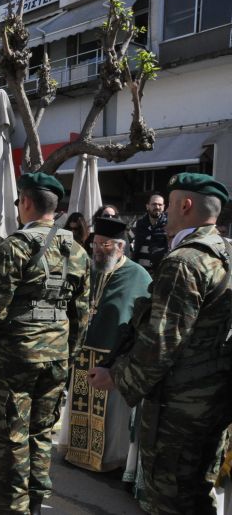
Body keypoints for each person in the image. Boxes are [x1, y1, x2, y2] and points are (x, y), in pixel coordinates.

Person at [0, 172, 90, 514]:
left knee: (10, 437)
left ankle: (14, 509)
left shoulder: (16, 246)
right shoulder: (77, 252)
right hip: (57, 358)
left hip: (17, 357)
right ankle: (36, 505)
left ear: (25, 202)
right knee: (41, 435)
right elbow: (81, 313)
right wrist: (70, 356)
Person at [89, 173, 232, 513]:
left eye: (168, 205)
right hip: (215, 400)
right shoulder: (225, 253)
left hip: (178, 410)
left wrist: (117, 376)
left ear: (185, 205)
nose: (164, 213)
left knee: (168, 499)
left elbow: (162, 342)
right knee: (196, 493)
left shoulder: (185, 261)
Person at [60, 217, 151, 472]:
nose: (98, 249)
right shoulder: (89, 269)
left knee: (113, 414)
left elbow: (141, 319)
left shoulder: (138, 275)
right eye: (96, 244)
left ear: (120, 247)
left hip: (114, 358)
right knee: (78, 404)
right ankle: (76, 452)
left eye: (105, 245)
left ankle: (110, 461)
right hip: (84, 351)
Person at [131, 192, 168, 275]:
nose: (157, 207)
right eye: (154, 204)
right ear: (147, 206)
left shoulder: (169, 225)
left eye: (160, 205)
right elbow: (127, 240)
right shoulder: (138, 224)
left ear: (164, 207)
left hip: (159, 272)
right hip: (140, 272)